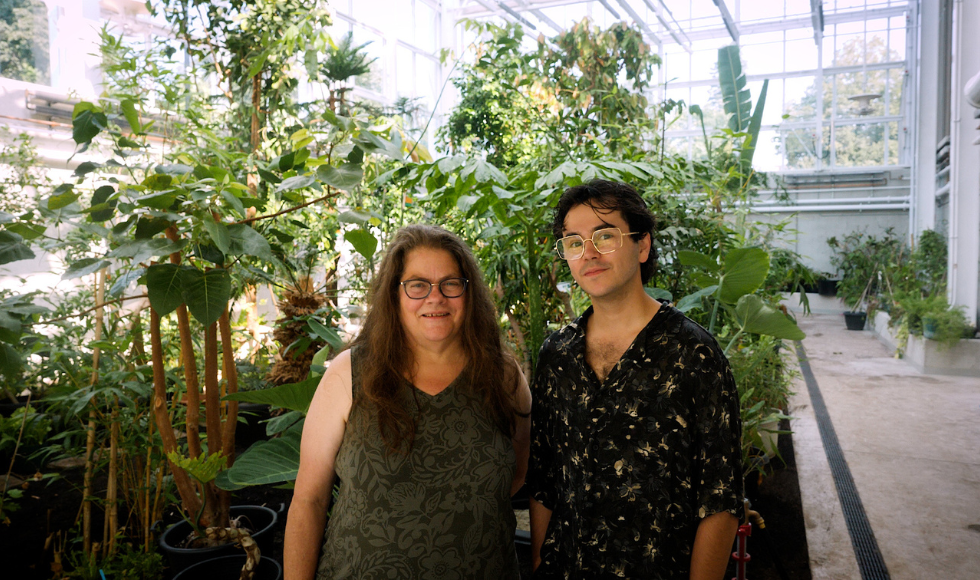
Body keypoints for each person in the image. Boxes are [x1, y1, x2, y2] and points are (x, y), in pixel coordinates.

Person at [284, 224, 532, 580]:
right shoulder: (348, 374)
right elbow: (309, 502)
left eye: (450, 283)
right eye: (417, 285)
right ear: (394, 295)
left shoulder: (502, 375)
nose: (435, 297)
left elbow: (517, 474)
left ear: (469, 292)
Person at [527, 180, 743, 579]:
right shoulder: (557, 355)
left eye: (604, 236)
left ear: (642, 245)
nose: (588, 252)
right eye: (574, 242)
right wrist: (541, 564)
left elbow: (721, 498)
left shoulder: (693, 355)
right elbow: (544, 478)